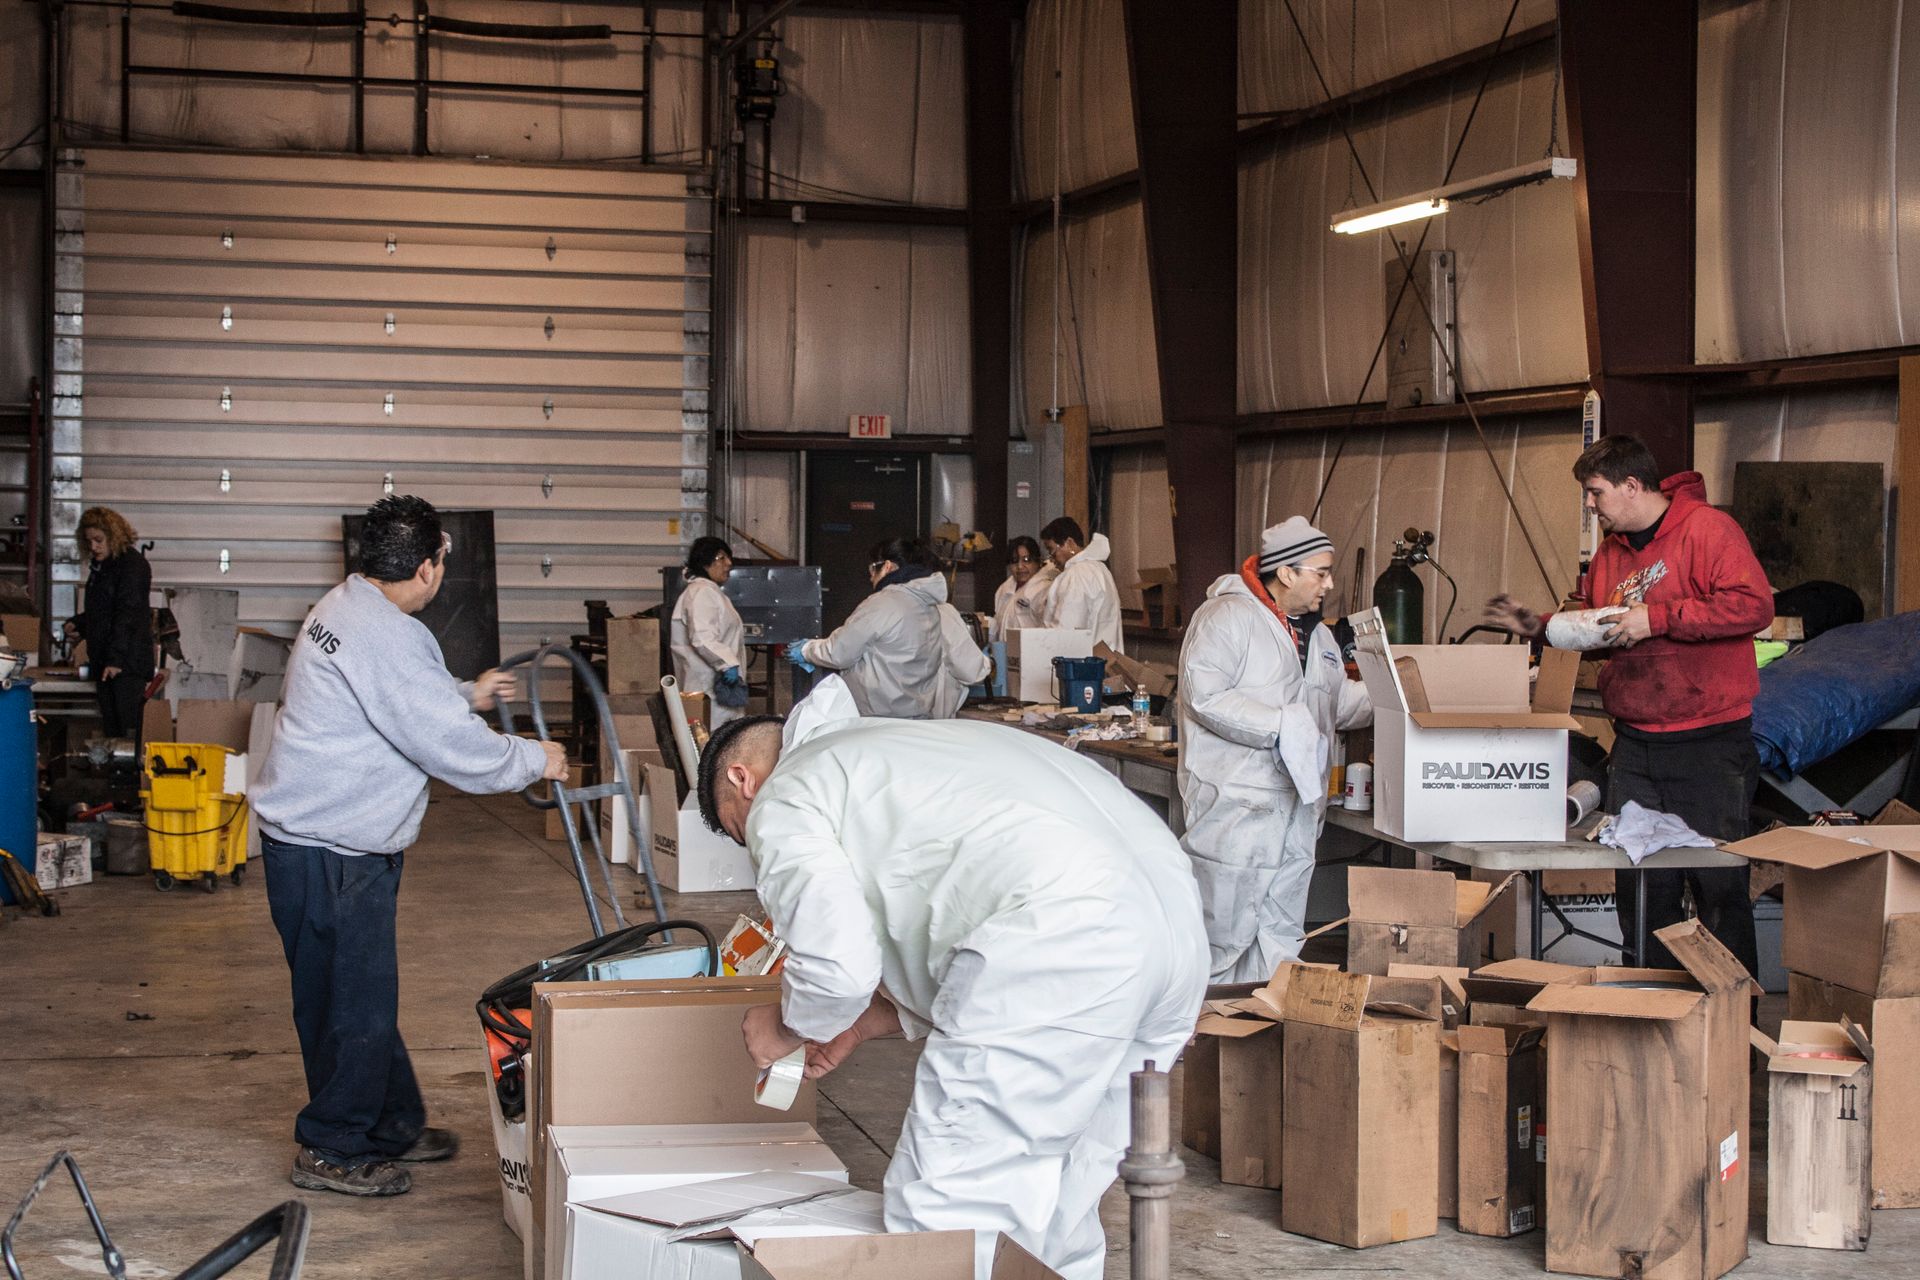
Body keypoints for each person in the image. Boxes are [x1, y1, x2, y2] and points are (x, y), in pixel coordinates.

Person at [698, 679, 1206, 1280]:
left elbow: (836, 968)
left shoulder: (788, 790)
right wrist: (863, 1026)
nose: (754, 845)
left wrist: (783, 1027)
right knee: (1059, 1202)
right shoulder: (906, 750)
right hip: (1174, 939)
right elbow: (945, 912)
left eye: (740, 831)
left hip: (1066, 940)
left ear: (742, 778)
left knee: (953, 1208)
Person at [251, 495, 567, 1197]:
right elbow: (446, 747)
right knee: (351, 1006)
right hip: (333, 851)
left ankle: (388, 1124)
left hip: (315, 841)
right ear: (426, 569)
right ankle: (332, 1148)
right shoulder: (389, 636)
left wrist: (464, 692)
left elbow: (398, 695)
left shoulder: (348, 605)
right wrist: (532, 759)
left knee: (352, 997)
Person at [1486, 435, 1772, 976]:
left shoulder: (1708, 531)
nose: (1589, 505)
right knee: (1640, 889)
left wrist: (1656, 619)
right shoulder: (1611, 555)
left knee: (1717, 886)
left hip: (1709, 743)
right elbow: (1599, 627)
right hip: (1639, 745)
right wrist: (1540, 627)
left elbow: (1753, 605)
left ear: (1632, 485)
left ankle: (1735, 1038)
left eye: (1595, 493)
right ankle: (1654, 1019)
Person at [1176, 517, 1372, 982]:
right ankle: (1205, 1039)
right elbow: (1204, 696)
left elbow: (1337, 706)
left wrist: (1397, 695)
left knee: (1281, 932)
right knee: (1221, 933)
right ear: (1286, 572)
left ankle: (1257, 1037)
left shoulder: (1320, 637)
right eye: (1320, 572)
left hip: (1299, 807)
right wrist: (1281, 726)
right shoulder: (1227, 617)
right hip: (1240, 805)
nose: (1329, 583)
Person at [788, 536, 948, 719]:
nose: (870, 576)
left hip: (878, 717)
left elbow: (840, 652)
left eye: (872, 568)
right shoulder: (927, 605)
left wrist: (807, 650)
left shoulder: (883, 602)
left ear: (887, 566)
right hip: (917, 713)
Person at [70, 506, 154, 738]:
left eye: (98, 540)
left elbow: (128, 614)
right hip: (106, 660)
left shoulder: (132, 566)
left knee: (126, 729)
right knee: (112, 728)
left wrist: (116, 659)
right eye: (89, 541)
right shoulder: (103, 568)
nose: (93, 547)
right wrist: (79, 624)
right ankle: (117, 772)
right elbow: (102, 611)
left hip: (125, 664)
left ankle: (127, 773)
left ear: (113, 536)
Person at [670, 536, 748, 724]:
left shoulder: (709, 592)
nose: (729, 563)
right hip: (708, 687)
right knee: (712, 742)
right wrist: (727, 663)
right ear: (705, 562)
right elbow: (702, 637)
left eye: (728, 558)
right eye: (721, 558)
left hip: (714, 688)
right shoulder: (702, 593)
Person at [1039, 517, 1124, 653]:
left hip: (1081, 666)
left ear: (1070, 543)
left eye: (1052, 550)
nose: (1051, 558)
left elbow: (1066, 631)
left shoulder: (1076, 574)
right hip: (1105, 660)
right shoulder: (1100, 568)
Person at [932, 595, 992, 720]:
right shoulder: (941, 611)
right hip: (931, 721)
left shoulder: (882, 608)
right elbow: (971, 670)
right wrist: (989, 664)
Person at [990, 536, 1058, 642]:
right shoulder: (1005, 588)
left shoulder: (1046, 589)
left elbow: (1050, 629)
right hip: (1005, 650)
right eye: (1014, 561)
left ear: (1038, 561)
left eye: (1026, 560)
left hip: (1033, 650)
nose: (1020, 566)